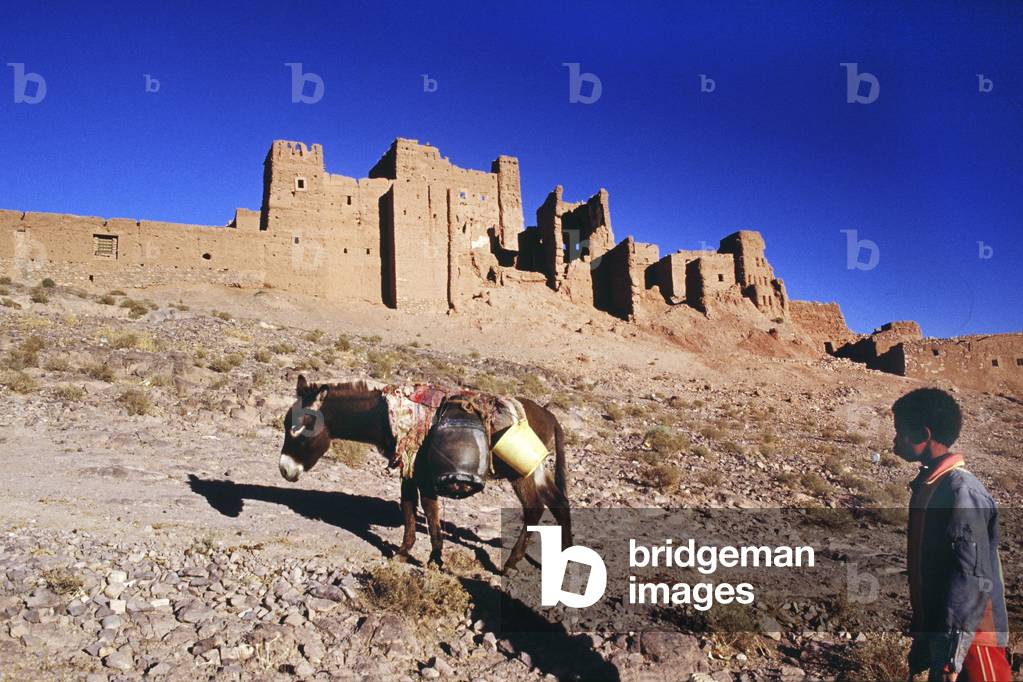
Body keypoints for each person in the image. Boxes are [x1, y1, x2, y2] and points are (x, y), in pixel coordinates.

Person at [891, 388, 1011, 681]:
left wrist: (952, 657)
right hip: (948, 640)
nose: (895, 439)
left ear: (923, 434)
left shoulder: (961, 491)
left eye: (900, 432)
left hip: (973, 644)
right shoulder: (931, 486)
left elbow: (969, 577)